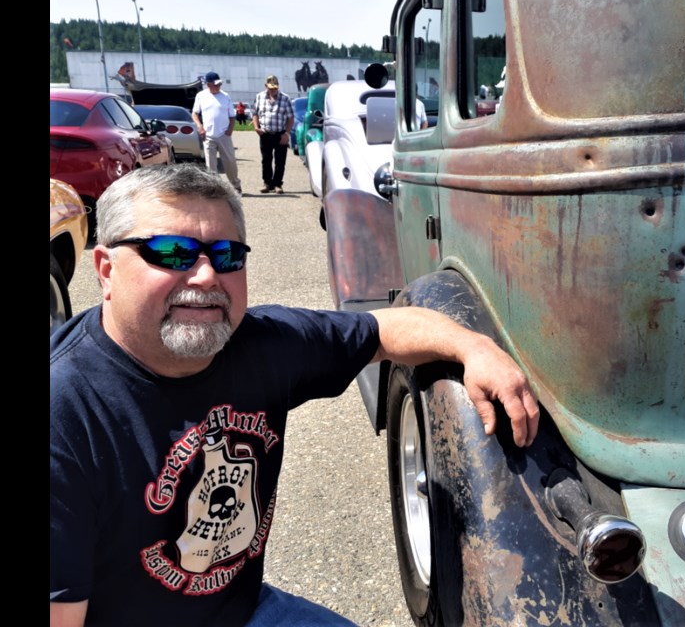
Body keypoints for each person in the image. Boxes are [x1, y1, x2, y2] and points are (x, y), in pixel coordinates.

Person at [50, 164, 540, 627]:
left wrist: (476, 348)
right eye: (173, 252)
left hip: (242, 610)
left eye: (227, 256)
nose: (204, 276)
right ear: (106, 269)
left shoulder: (261, 345)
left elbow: (387, 327)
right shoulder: (65, 410)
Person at [191, 71, 242, 194]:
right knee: (210, 164)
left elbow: (232, 115)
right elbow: (195, 113)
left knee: (230, 161)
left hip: (224, 134)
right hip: (208, 135)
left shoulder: (225, 96)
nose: (218, 87)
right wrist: (200, 126)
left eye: (219, 84)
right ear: (208, 84)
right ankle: (214, 188)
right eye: (216, 85)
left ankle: (235, 184)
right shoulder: (201, 96)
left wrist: (230, 129)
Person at [251, 75, 295, 194]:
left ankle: (277, 184)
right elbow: (255, 113)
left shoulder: (285, 98)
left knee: (280, 161)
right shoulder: (259, 97)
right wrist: (256, 127)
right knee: (266, 160)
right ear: (266, 86)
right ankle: (267, 183)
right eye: (271, 88)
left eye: (275, 88)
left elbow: (291, 118)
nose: (273, 90)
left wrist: (287, 133)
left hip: (280, 134)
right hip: (265, 133)